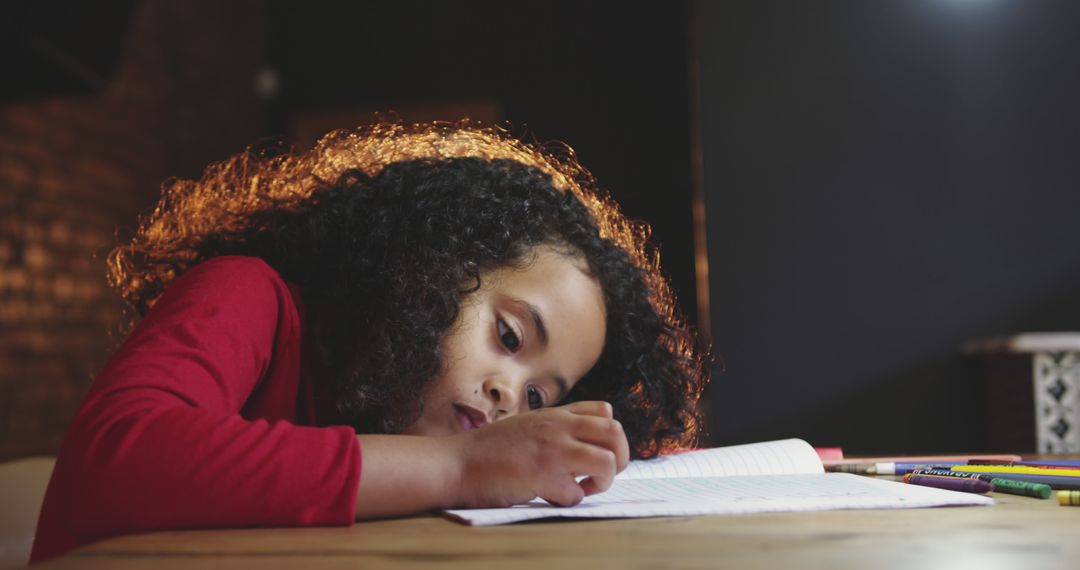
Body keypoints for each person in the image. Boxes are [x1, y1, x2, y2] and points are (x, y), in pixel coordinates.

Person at [30, 121, 709, 563]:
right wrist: (459, 468)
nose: (509, 395)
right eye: (507, 335)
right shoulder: (244, 294)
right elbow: (115, 461)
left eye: (539, 394)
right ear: (432, 263)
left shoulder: (387, 425)